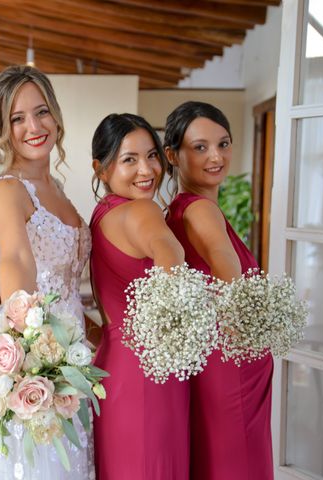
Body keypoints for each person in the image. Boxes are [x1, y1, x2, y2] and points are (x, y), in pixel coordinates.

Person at [0, 65, 93, 479]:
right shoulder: (7, 190)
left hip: (74, 364)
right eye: (18, 118)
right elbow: (15, 265)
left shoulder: (58, 190)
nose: (34, 126)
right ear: (3, 128)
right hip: (35, 365)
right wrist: (35, 366)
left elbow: (67, 288)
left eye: (42, 112)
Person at [164, 101, 273, 480]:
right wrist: (250, 318)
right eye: (200, 147)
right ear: (172, 156)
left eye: (223, 144)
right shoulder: (201, 210)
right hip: (230, 368)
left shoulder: (177, 210)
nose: (216, 156)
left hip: (211, 365)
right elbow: (225, 263)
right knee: (237, 464)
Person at [89, 113, 189, 479]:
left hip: (114, 368)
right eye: (129, 159)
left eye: (151, 156)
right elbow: (171, 253)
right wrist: (169, 329)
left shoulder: (101, 215)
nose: (147, 169)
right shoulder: (143, 209)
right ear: (101, 169)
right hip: (151, 368)